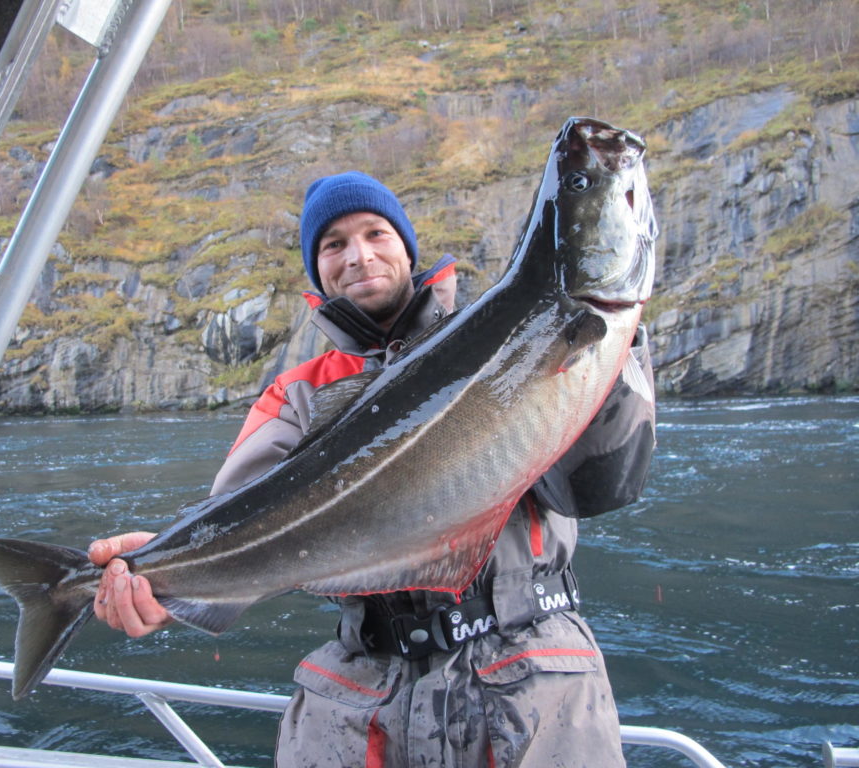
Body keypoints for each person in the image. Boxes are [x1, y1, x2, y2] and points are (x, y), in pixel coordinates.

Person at [89, 171, 656, 767]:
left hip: (538, 687)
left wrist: (621, 343)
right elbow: (236, 525)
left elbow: (607, 483)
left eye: (376, 233)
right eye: (334, 245)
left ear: (406, 246)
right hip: (362, 704)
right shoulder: (293, 397)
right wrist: (167, 573)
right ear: (318, 269)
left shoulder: (513, 336)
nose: (359, 256)